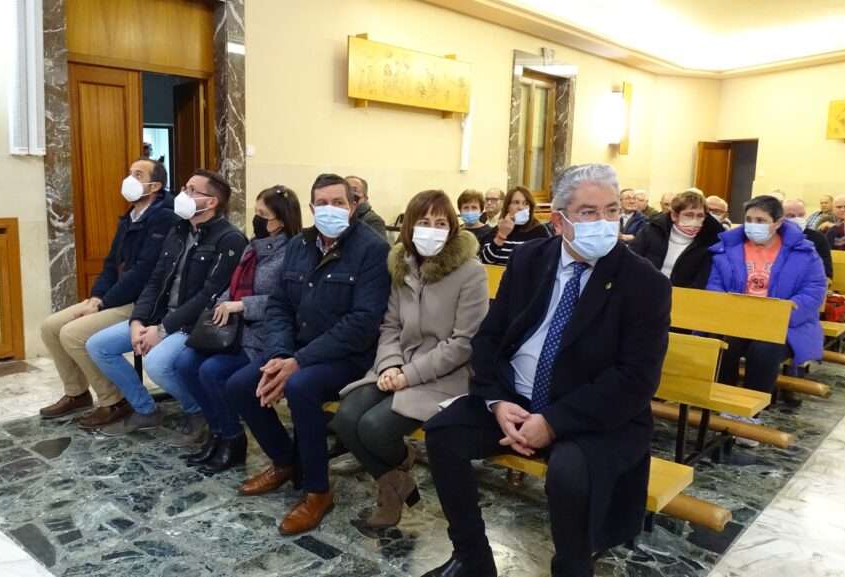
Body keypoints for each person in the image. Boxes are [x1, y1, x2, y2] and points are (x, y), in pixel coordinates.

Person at [421, 164, 671, 577]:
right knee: (444, 432)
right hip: (517, 402)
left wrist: (553, 422)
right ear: (559, 220)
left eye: (612, 211)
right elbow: (488, 339)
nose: (605, 222)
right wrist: (498, 401)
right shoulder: (529, 260)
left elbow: (635, 379)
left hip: (595, 415)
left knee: (571, 472)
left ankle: (572, 569)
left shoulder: (644, 283)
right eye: (589, 213)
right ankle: (472, 557)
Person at [225, 173, 390, 536]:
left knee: (300, 387)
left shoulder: (372, 249)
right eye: (323, 204)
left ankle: (318, 491)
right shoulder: (300, 245)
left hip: (348, 357)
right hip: (296, 350)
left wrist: (297, 362)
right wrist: (281, 354)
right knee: (240, 384)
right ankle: (285, 462)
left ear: (353, 206)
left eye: (339, 202)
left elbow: (362, 323)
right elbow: (280, 305)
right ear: (312, 208)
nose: (330, 209)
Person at [331, 190, 488, 529]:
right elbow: (390, 325)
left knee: (374, 428)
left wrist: (408, 375)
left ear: (452, 229)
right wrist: (389, 366)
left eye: (441, 223)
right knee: (346, 420)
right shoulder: (402, 265)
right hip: (398, 364)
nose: (432, 230)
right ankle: (398, 480)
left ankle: (390, 492)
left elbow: (463, 343)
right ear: (409, 227)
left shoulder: (470, 272)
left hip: (444, 374)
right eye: (424, 222)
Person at [86, 170, 247, 443]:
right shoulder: (178, 230)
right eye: (185, 187)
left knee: (157, 363)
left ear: (211, 202)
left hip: (192, 325)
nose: (184, 194)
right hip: (160, 317)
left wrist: (161, 331)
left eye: (193, 190)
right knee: (98, 346)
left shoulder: (229, 239)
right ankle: (145, 409)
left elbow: (208, 295)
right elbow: (155, 279)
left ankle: (198, 410)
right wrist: (138, 321)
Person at [39, 159, 178, 428]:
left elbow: (143, 273)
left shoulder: (164, 218)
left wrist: (103, 304)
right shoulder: (130, 216)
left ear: (155, 186)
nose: (129, 179)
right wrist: (96, 296)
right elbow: (111, 263)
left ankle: (113, 400)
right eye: (130, 173)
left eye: (138, 175)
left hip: (141, 303)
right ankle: (76, 393)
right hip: (115, 297)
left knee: (73, 334)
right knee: (50, 327)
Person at [173, 185, 302, 473]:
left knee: (212, 371)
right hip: (233, 330)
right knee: (185, 363)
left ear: (280, 220)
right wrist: (222, 303)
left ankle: (233, 438)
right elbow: (231, 286)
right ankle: (218, 431)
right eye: (255, 213)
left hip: (263, 335)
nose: (256, 220)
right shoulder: (251, 246)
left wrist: (242, 305)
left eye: (262, 215)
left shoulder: (292, 252)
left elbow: (287, 300)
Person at [707, 196, 826, 430]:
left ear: (777, 222)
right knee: (724, 346)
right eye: (749, 219)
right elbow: (715, 285)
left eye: (761, 220)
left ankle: (752, 413)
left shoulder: (803, 252)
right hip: (737, 320)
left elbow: (814, 290)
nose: (753, 225)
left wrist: (780, 315)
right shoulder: (728, 248)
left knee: (764, 350)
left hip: (783, 324)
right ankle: (725, 406)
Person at [630, 189, 724, 289]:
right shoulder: (652, 231)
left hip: (683, 297)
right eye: (689, 215)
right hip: (643, 290)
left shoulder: (709, 243)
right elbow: (631, 262)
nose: (694, 221)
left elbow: (700, 282)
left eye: (700, 216)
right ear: (674, 215)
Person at [479, 185, 553, 265]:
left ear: (530, 208)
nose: (521, 207)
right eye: (516, 202)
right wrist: (502, 235)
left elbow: (547, 263)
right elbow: (485, 260)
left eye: (525, 203)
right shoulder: (498, 229)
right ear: (508, 207)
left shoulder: (539, 231)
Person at [784, 199, 833, 278]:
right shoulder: (775, 237)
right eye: (791, 216)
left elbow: (826, 271)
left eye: (801, 215)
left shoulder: (818, 238)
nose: (797, 219)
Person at [346, 175, 388, 239]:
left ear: (365, 198)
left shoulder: (373, 220)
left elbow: (378, 247)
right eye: (346, 190)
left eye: (354, 190)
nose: (349, 194)